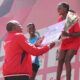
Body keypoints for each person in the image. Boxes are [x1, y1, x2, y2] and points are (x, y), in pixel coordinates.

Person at [56, 2, 80, 80]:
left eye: (60, 8)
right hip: (65, 42)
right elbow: (60, 32)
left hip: (74, 40)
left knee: (67, 60)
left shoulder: (72, 18)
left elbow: (79, 33)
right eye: (57, 8)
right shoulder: (59, 19)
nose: (58, 9)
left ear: (65, 9)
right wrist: (58, 36)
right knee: (60, 61)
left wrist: (68, 35)